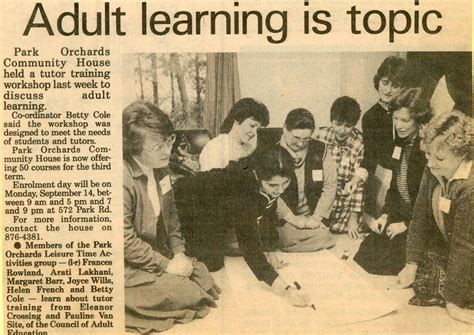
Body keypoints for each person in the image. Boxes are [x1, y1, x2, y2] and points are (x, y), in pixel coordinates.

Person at [122, 101, 220, 333]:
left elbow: (172, 216)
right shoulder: (122, 180)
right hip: (127, 264)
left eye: (170, 141)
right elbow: (125, 242)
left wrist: (179, 254)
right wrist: (167, 265)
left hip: (154, 252)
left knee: (203, 277)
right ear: (134, 147)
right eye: (158, 147)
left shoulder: (161, 167)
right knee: (189, 294)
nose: (168, 150)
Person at [174, 146, 311, 307]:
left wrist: (269, 248)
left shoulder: (275, 177)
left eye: (285, 183)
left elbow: (268, 209)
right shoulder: (242, 191)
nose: (280, 190)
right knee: (212, 264)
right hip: (187, 206)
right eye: (273, 185)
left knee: (224, 243)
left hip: (215, 206)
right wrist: (286, 290)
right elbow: (251, 250)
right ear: (256, 175)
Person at [397, 110, 473, 324]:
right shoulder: (433, 168)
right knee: (421, 277)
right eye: (428, 155)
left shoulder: (470, 188)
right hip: (455, 247)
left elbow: (464, 245)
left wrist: (453, 303)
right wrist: (411, 264)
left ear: (463, 154)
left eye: (439, 158)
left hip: (467, 248)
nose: (430, 163)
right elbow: (419, 216)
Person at [354, 88, 432, 275]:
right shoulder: (400, 141)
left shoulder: (427, 149)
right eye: (396, 119)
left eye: (406, 120)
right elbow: (395, 186)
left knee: (386, 263)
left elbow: (429, 199)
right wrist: (385, 215)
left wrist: (406, 224)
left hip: (420, 220)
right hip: (401, 214)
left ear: (419, 120)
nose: (399, 125)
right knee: (364, 256)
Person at [346, 56, 409, 216]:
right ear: (378, 82)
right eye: (385, 82)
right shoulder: (371, 117)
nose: (387, 90)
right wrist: (356, 179)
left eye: (395, 85)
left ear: (403, 88)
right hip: (387, 176)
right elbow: (370, 157)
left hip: (411, 174)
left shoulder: (410, 112)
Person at [276, 108, 336, 252]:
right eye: (296, 138)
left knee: (325, 235)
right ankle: (287, 241)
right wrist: (294, 220)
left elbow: (330, 185)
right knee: (286, 236)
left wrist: (316, 218)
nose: (301, 144)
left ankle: (289, 243)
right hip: (286, 219)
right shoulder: (273, 152)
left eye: (306, 139)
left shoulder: (321, 150)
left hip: (311, 216)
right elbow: (272, 193)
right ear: (285, 129)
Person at [314, 96, 364, 239]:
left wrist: (353, 219)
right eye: (338, 124)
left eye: (348, 126)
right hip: (319, 199)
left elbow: (359, 185)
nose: (342, 130)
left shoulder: (359, 143)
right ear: (331, 120)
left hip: (344, 204)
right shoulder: (319, 135)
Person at [199, 97, 269, 171]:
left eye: (258, 129)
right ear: (237, 119)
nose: (254, 133)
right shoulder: (215, 147)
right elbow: (212, 180)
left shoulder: (251, 147)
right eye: (252, 125)